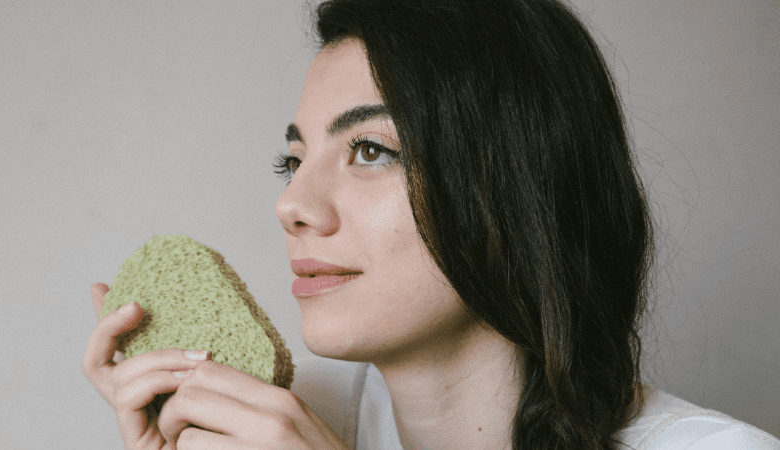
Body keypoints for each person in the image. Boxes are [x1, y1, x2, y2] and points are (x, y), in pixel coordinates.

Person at [82, 0, 780, 449]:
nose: (291, 204)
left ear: (517, 185)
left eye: (370, 150)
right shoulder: (287, 417)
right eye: (292, 161)